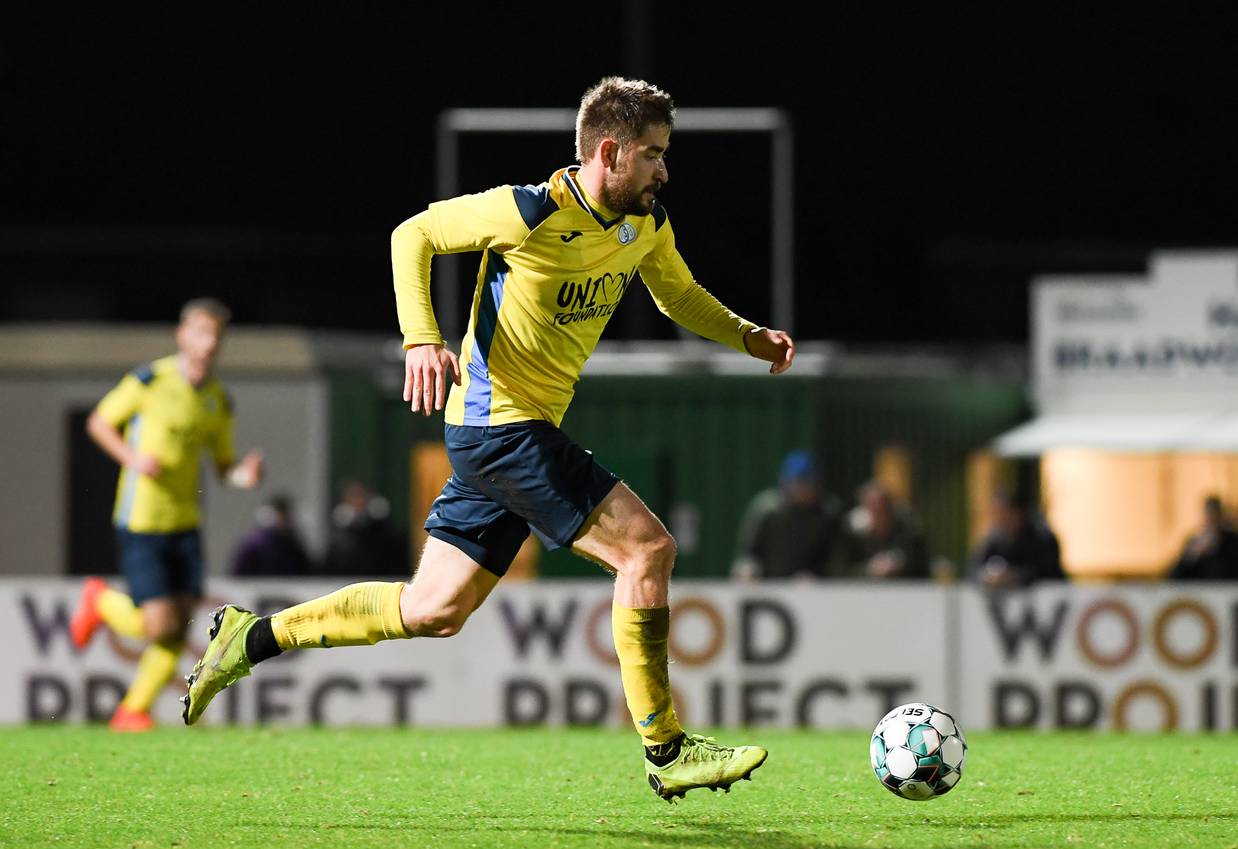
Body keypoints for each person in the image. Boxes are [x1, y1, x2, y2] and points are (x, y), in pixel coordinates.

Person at [182, 77, 792, 800]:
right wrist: (421, 338)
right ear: (609, 152)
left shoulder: (645, 226)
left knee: (434, 610)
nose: (665, 169)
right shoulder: (529, 211)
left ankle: (249, 638)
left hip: (507, 436)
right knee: (647, 548)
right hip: (500, 427)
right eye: (654, 154)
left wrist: (746, 336)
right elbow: (412, 234)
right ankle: (666, 749)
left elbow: (677, 293)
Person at [70, 298, 263, 731]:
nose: (208, 342)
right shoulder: (149, 381)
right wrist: (132, 457)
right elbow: (100, 422)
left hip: (186, 522)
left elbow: (223, 465)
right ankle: (99, 602)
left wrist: (242, 476)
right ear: (182, 335)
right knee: (158, 624)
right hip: (143, 518)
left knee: (178, 628)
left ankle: (132, 710)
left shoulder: (216, 400)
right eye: (200, 332)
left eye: (216, 335)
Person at [731, 450, 841, 581]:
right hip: (767, 586)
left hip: (810, 589)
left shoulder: (828, 513)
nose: (802, 488)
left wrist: (816, 576)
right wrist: (747, 569)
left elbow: (834, 560)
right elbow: (747, 554)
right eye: (798, 482)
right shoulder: (766, 510)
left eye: (808, 482)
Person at [968, 490, 1066, 588]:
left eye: (1002, 513)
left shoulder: (1042, 537)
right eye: (994, 514)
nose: (998, 520)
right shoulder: (994, 540)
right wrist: (987, 576)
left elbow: (1047, 571)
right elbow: (972, 569)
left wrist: (1016, 576)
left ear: (1017, 513)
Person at [842, 480, 930, 580]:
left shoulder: (909, 531)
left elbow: (921, 567)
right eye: (873, 507)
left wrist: (898, 565)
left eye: (883, 507)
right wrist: (868, 569)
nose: (879, 512)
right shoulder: (854, 534)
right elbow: (843, 569)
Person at [324, 479, 408, 576]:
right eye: (353, 496)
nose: (357, 501)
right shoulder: (339, 530)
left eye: (360, 496)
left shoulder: (384, 527)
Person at [231, 495, 312, 577]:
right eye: (280, 515)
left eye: (285, 516)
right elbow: (239, 574)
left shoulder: (291, 544)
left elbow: (304, 570)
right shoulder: (255, 545)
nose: (283, 520)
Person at [1170, 495, 1238, 581]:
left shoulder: (1232, 541)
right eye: (1209, 516)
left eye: (1214, 516)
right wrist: (1192, 555)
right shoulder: (1195, 541)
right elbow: (1175, 577)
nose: (1211, 520)